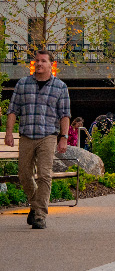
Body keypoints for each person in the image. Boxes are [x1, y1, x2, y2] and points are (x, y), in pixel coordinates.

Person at [4, 50, 71, 230]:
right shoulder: (22, 84)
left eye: (43, 61)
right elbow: (13, 110)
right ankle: (35, 205)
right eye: (37, 61)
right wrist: (9, 132)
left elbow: (65, 115)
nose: (39, 64)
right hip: (26, 135)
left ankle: (40, 214)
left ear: (51, 64)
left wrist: (63, 137)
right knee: (24, 175)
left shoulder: (60, 87)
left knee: (44, 175)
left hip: (48, 136)